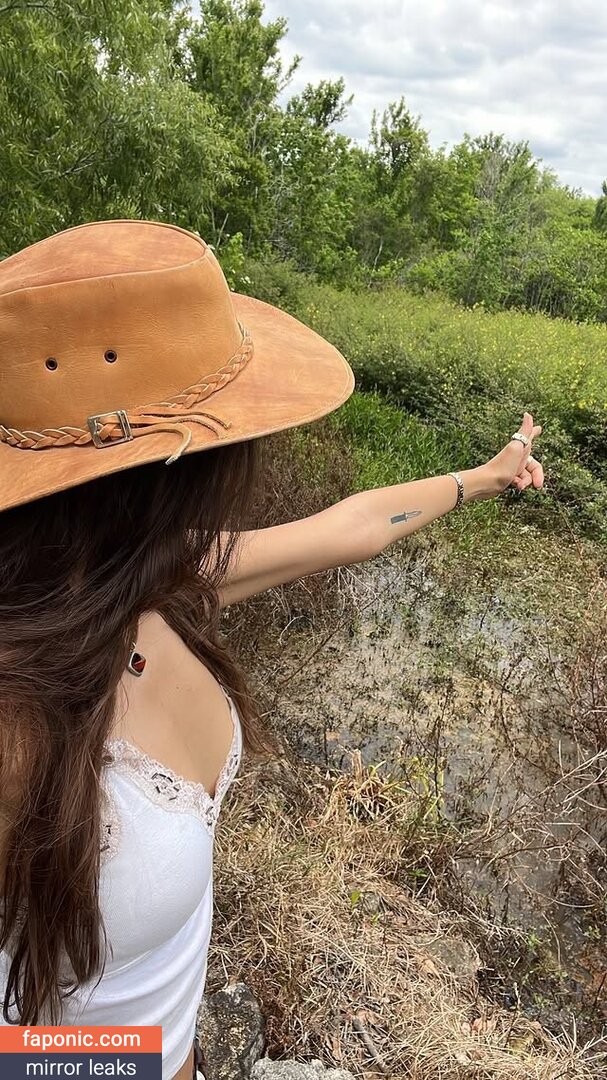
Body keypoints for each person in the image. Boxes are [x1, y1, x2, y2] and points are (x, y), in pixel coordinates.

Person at [0, 220, 544, 1080]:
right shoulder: (20, 708)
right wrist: (106, 1067)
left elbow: (349, 528)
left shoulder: (143, 579)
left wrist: (487, 473)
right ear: (194, 461)